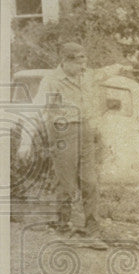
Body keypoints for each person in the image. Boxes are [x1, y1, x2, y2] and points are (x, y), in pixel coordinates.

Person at [34, 42, 127, 246]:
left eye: (84, 63)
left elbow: (102, 73)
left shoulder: (85, 74)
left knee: (90, 181)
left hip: (85, 130)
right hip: (62, 131)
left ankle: (92, 228)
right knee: (66, 181)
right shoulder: (51, 81)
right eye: (78, 64)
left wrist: (119, 66)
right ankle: (62, 225)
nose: (82, 69)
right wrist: (26, 141)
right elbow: (37, 108)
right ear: (65, 61)